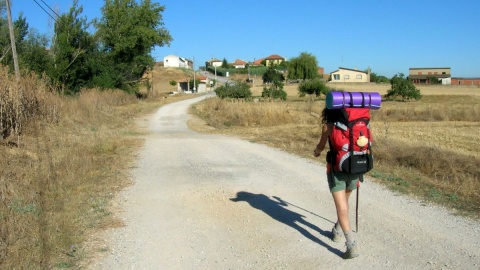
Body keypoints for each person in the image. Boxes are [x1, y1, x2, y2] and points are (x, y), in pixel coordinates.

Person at [313, 108, 361, 259]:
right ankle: (337, 231)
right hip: (356, 168)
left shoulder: (329, 126)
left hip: (336, 169)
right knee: (345, 204)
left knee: (342, 208)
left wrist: (316, 152)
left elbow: (321, 146)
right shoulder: (359, 125)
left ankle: (351, 245)